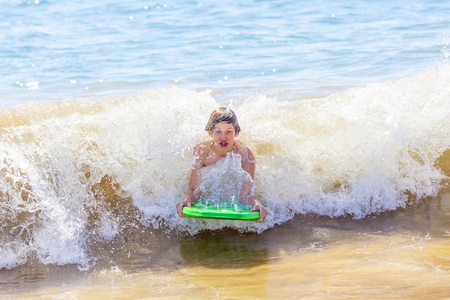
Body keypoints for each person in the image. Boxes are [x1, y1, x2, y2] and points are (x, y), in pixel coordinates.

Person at [176, 107, 267, 223]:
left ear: (236, 133)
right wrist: (186, 199)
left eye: (229, 132)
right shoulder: (202, 151)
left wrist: (256, 203)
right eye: (218, 131)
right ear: (210, 132)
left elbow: (246, 194)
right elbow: (194, 190)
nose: (223, 137)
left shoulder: (245, 154)